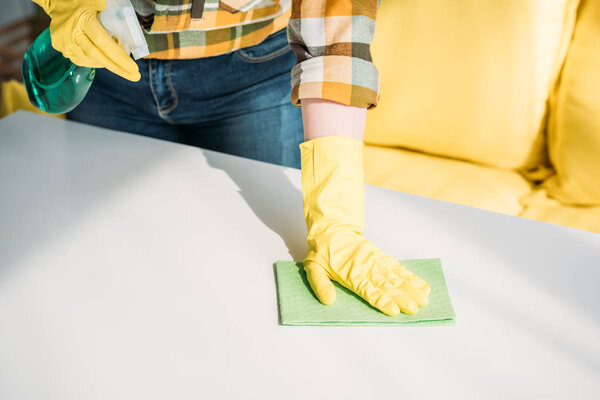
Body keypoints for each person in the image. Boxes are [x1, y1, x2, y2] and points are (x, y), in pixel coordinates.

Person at [33, 0, 430, 316]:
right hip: (103, 60)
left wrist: (338, 224)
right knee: (102, 273)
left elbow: (335, 26)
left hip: (250, 75)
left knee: (257, 270)